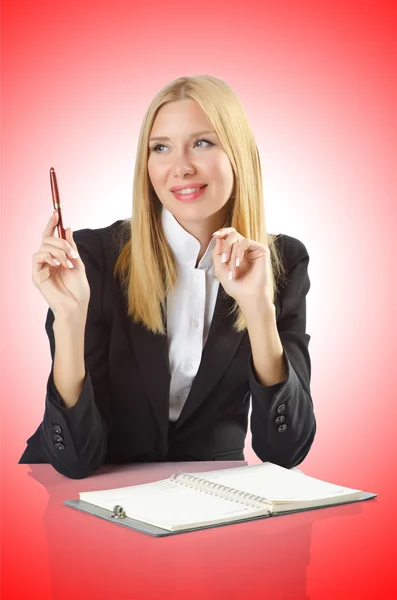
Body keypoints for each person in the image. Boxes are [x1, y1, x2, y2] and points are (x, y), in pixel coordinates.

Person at [19, 75, 316, 479]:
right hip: (86, 491)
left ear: (239, 154)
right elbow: (75, 461)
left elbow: (285, 451)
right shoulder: (94, 257)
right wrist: (70, 323)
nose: (181, 167)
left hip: (203, 504)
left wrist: (259, 311)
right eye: (161, 148)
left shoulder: (281, 261)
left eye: (202, 143)